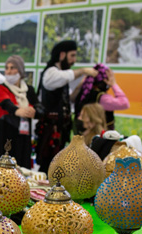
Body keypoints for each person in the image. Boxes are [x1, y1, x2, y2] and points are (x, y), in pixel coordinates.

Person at [35, 40, 98, 175]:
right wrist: (83, 71)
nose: (74, 60)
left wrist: (80, 87)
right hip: (50, 130)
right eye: (72, 56)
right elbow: (64, 76)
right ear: (62, 55)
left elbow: (67, 99)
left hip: (61, 130)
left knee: (56, 164)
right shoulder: (51, 72)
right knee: (47, 164)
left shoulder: (60, 76)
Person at [0, 55, 42, 169]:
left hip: (23, 136)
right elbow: (6, 103)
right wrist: (17, 111)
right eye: (7, 68)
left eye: (12, 68)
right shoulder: (0, 88)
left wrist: (34, 112)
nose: (8, 71)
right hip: (5, 135)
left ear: (20, 70)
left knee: (22, 167)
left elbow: (38, 107)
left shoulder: (29, 90)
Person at [74, 65, 129, 134]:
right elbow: (124, 103)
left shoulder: (84, 93)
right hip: (97, 135)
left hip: (82, 133)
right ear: (105, 80)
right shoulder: (102, 98)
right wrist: (113, 84)